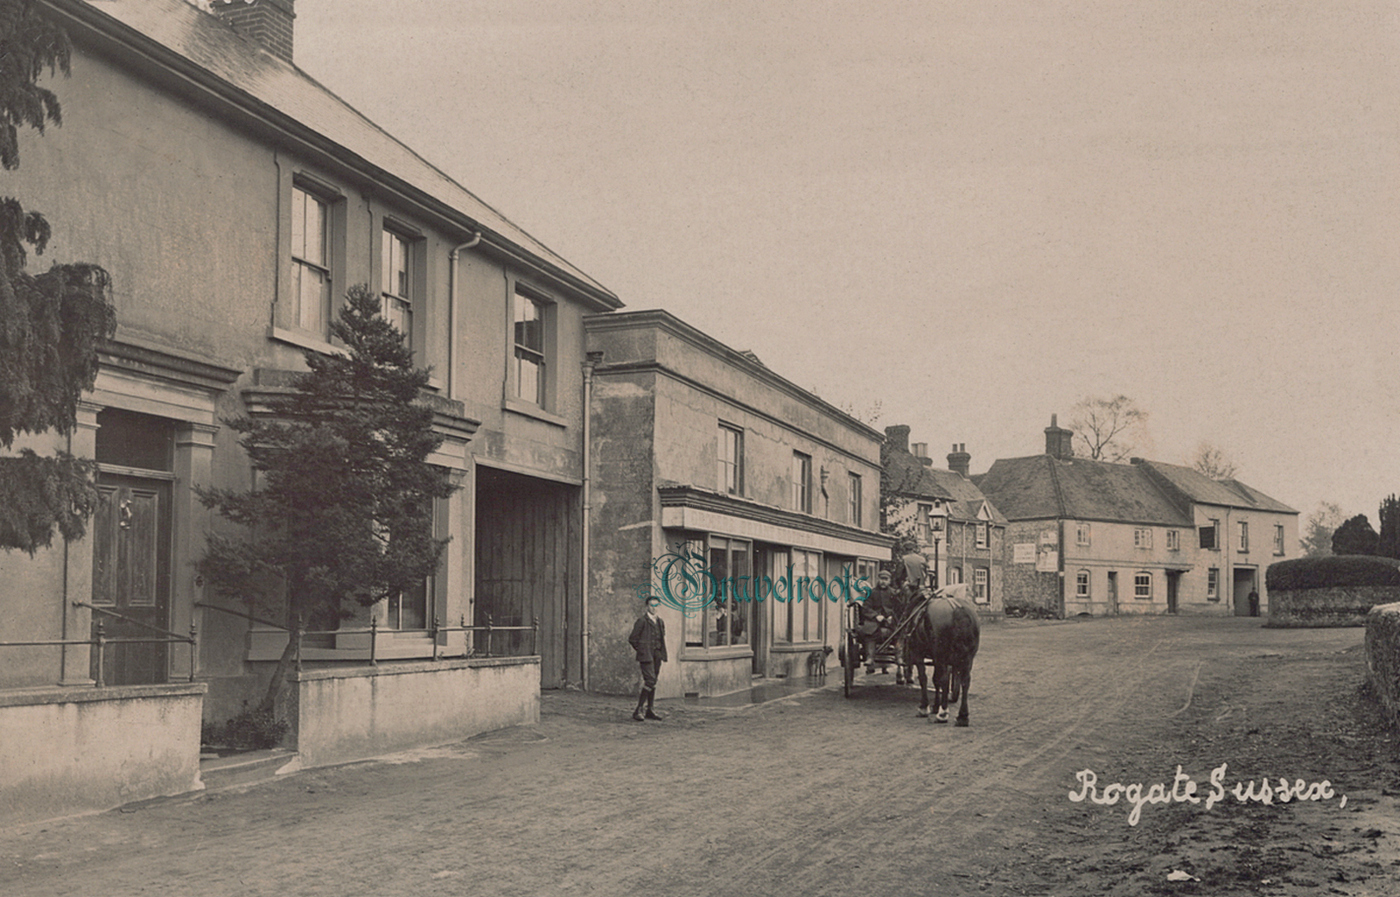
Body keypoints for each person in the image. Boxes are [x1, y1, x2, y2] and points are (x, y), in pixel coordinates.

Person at [628, 595, 668, 721]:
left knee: (653, 681)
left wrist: (660, 653)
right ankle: (638, 709)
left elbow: (661, 637)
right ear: (647, 606)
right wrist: (643, 651)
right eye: (651, 605)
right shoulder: (642, 621)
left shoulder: (660, 621)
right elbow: (632, 639)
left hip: (657, 655)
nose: (654, 608)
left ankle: (650, 709)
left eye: (656, 605)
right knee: (650, 680)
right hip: (646, 656)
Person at [860, 569, 899, 673]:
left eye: (886, 579)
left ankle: (900, 658)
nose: (883, 581)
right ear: (878, 579)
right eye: (881, 579)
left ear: (890, 581)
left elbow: (898, 608)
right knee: (870, 633)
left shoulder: (894, 593)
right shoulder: (872, 593)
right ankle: (870, 658)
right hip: (874, 622)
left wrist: (892, 616)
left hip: (891, 622)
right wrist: (876, 616)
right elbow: (865, 608)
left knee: (900, 633)